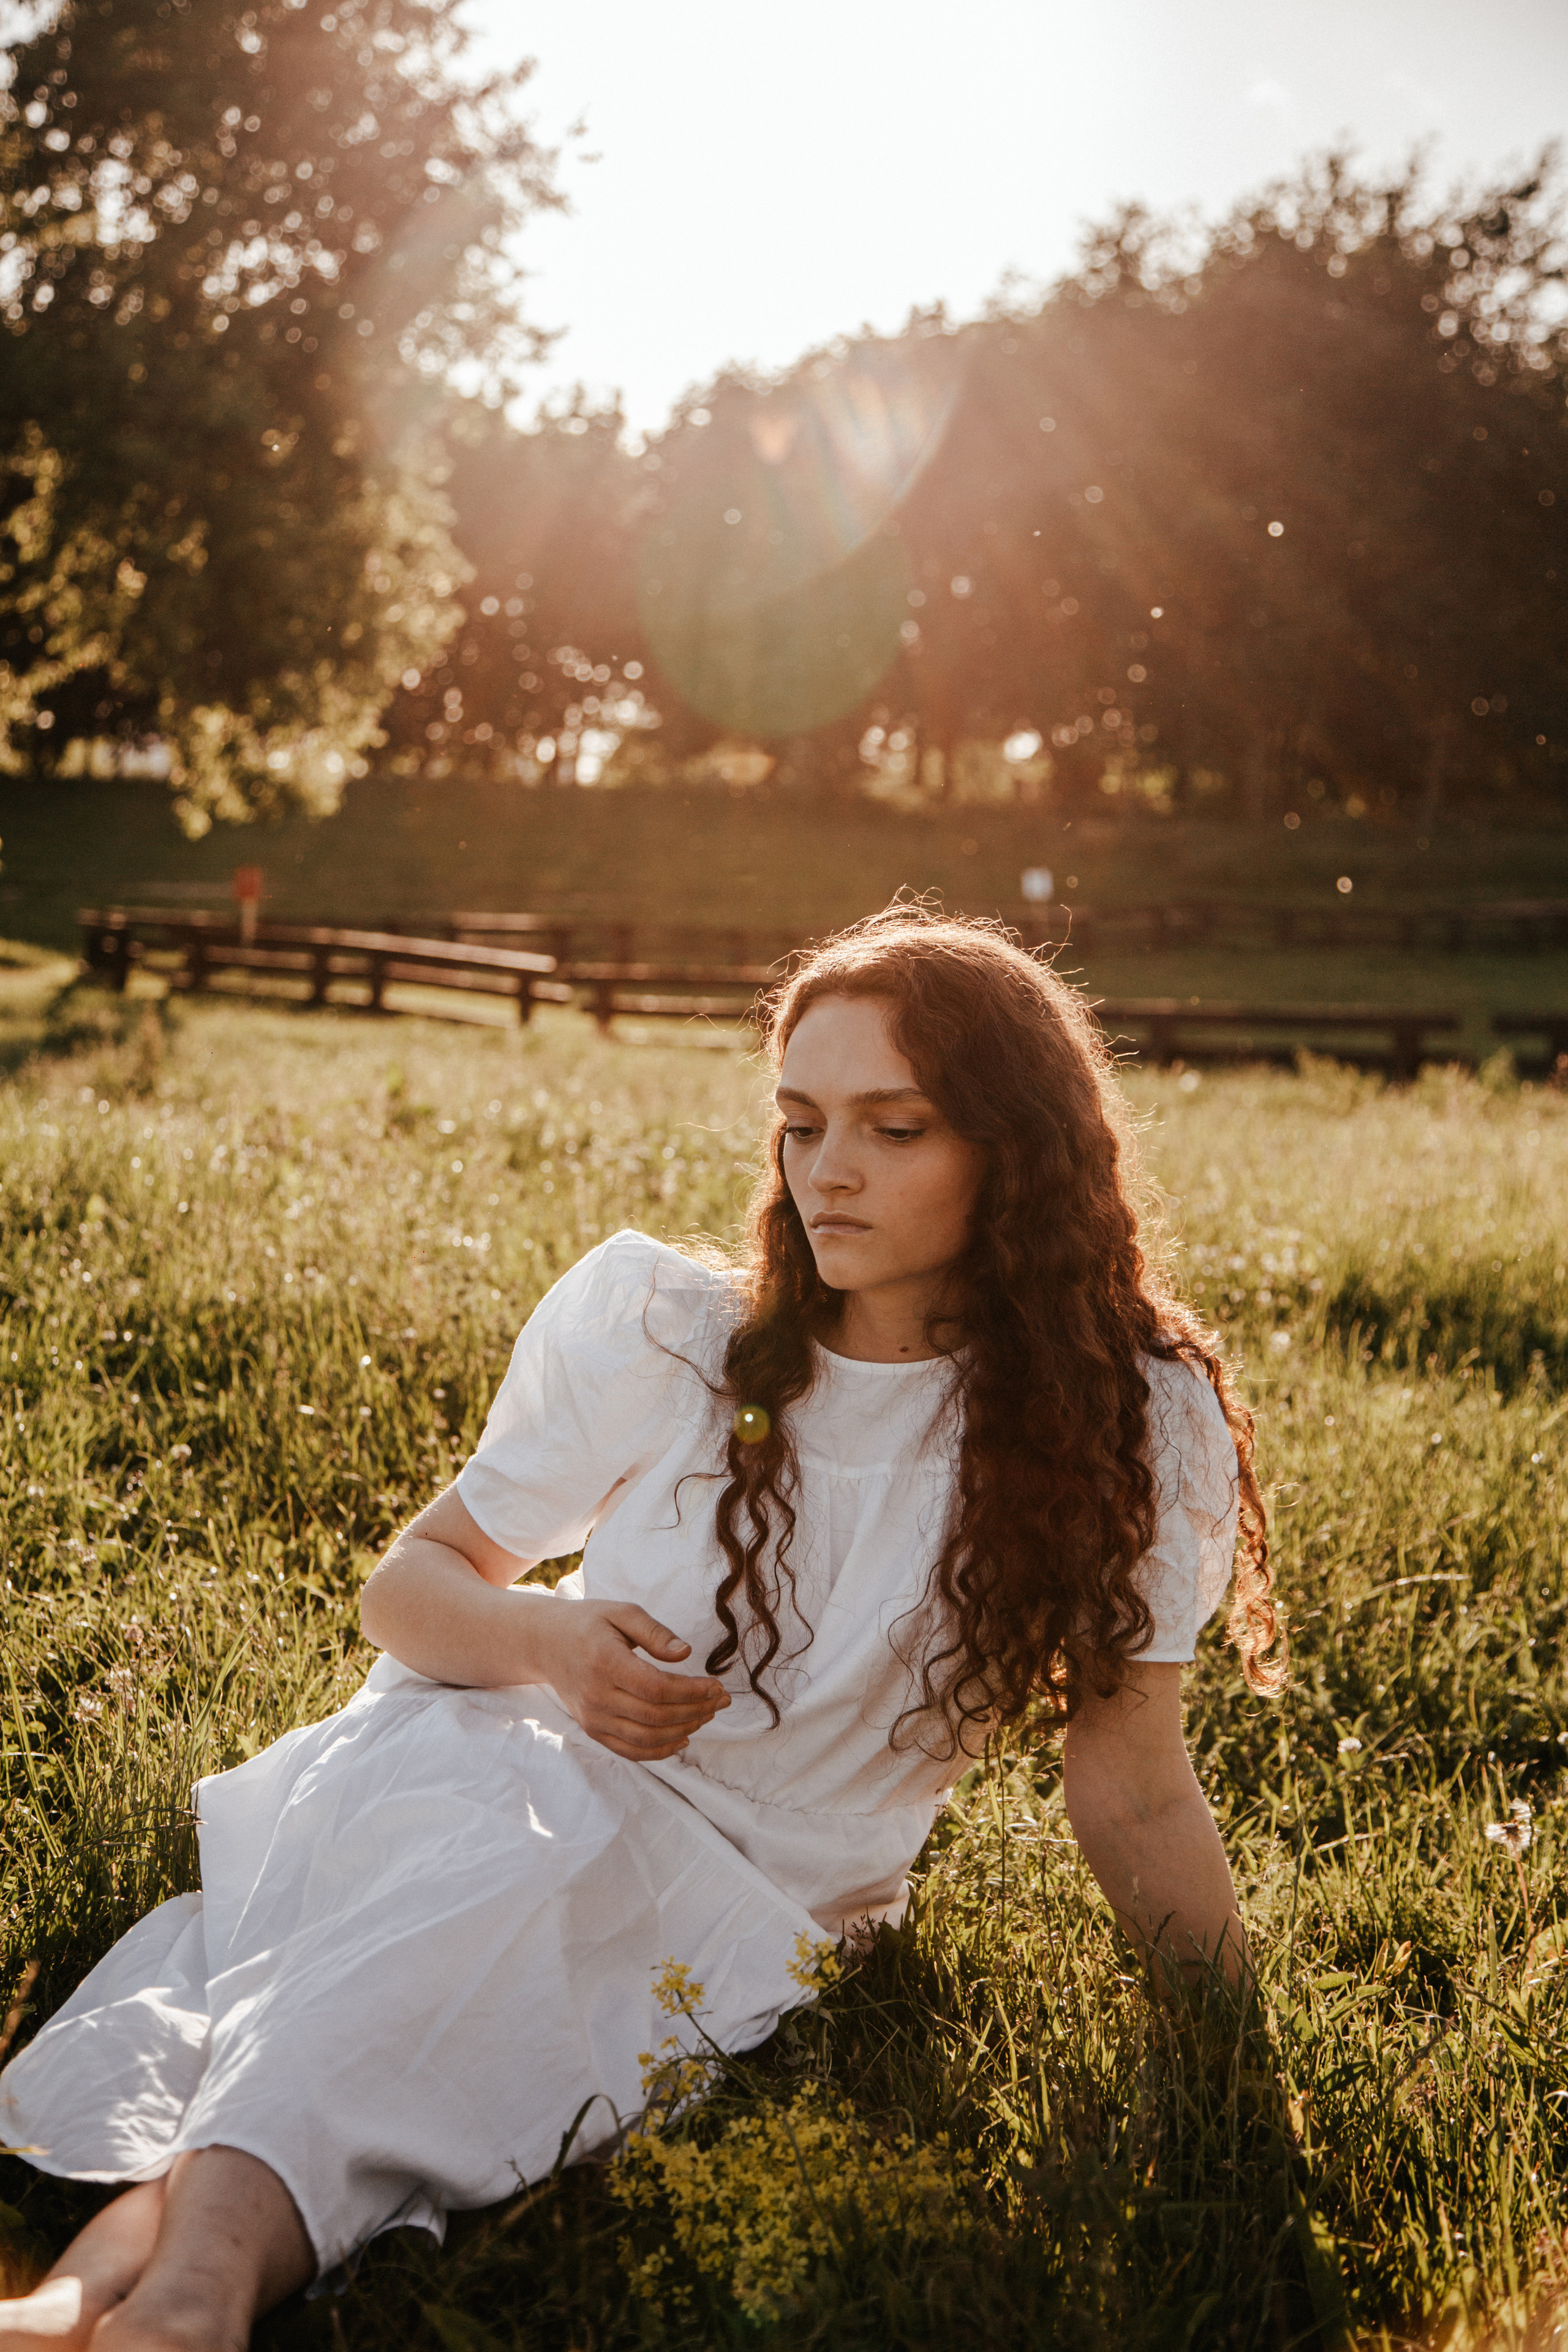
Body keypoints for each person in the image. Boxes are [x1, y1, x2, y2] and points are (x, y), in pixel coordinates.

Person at [0, 908, 1279, 2352]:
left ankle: (111, 2300)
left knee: (359, 1993)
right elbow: (408, 1589)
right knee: (406, 1958)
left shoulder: (1130, 1418)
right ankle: (161, 2305)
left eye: (894, 1126)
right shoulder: (671, 1330)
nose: (827, 1171)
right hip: (506, 1756)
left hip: (762, 1896)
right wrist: (553, 1650)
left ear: (1018, 1149)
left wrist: (1235, 2067)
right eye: (800, 1123)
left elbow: (1131, 1778)